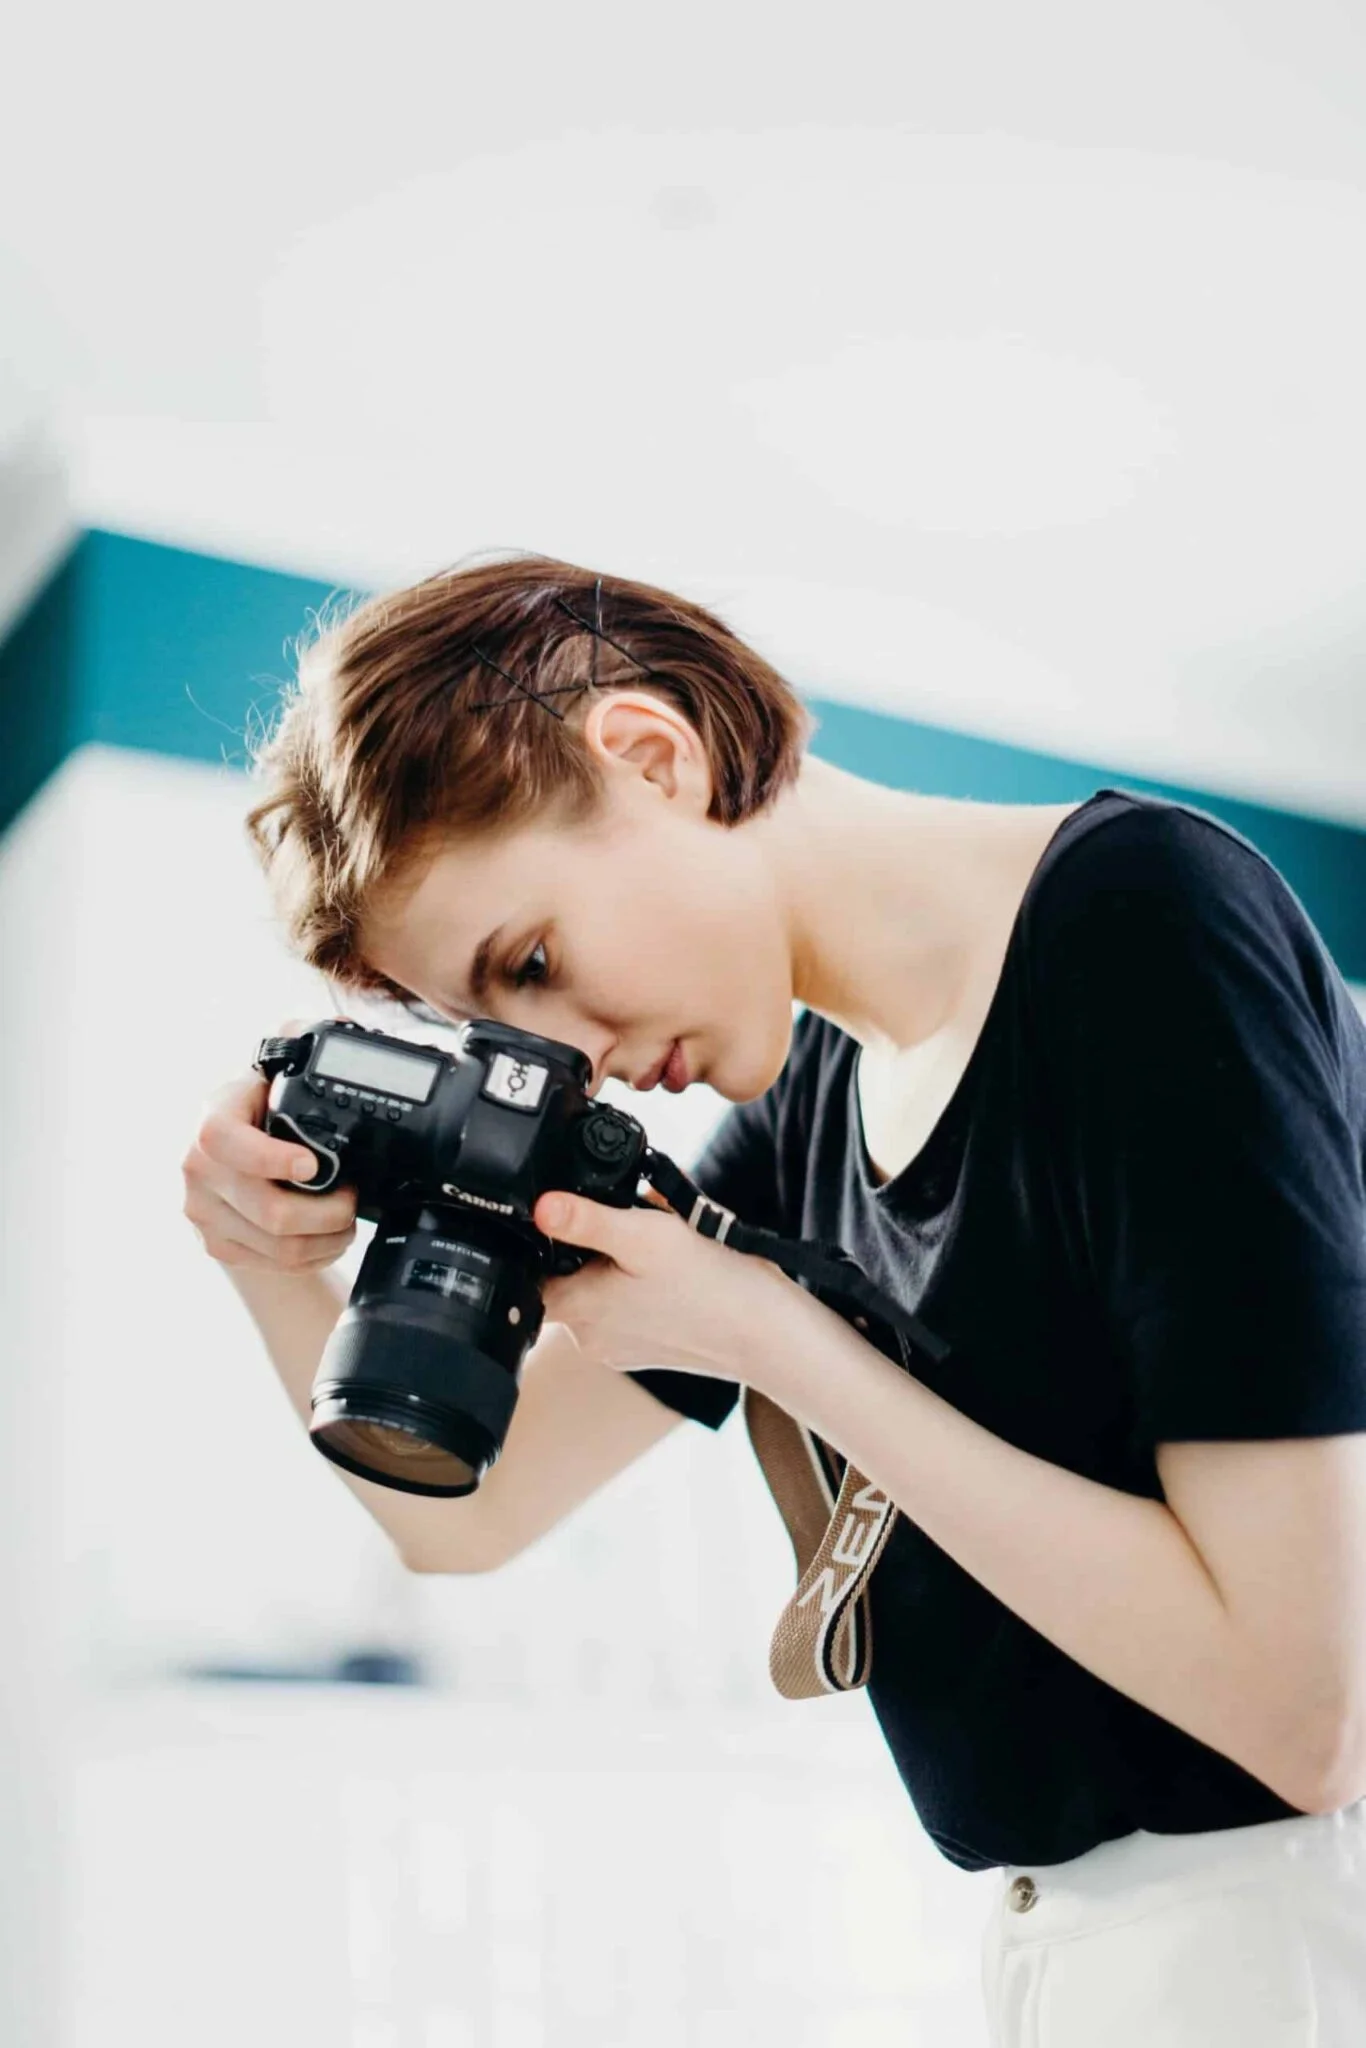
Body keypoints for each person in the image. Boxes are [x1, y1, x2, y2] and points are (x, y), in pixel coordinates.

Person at [182, 551, 1366, 2045]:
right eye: (500, 1027)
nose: (569, 1064)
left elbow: (1307, 1714)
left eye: (533, 959)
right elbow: (460, 1516)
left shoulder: (1142, 924)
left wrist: (774, 1340)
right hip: (1064, 1946)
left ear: (649, 757)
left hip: (1278, 1929)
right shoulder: (805, 1105)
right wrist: (270, 1259)